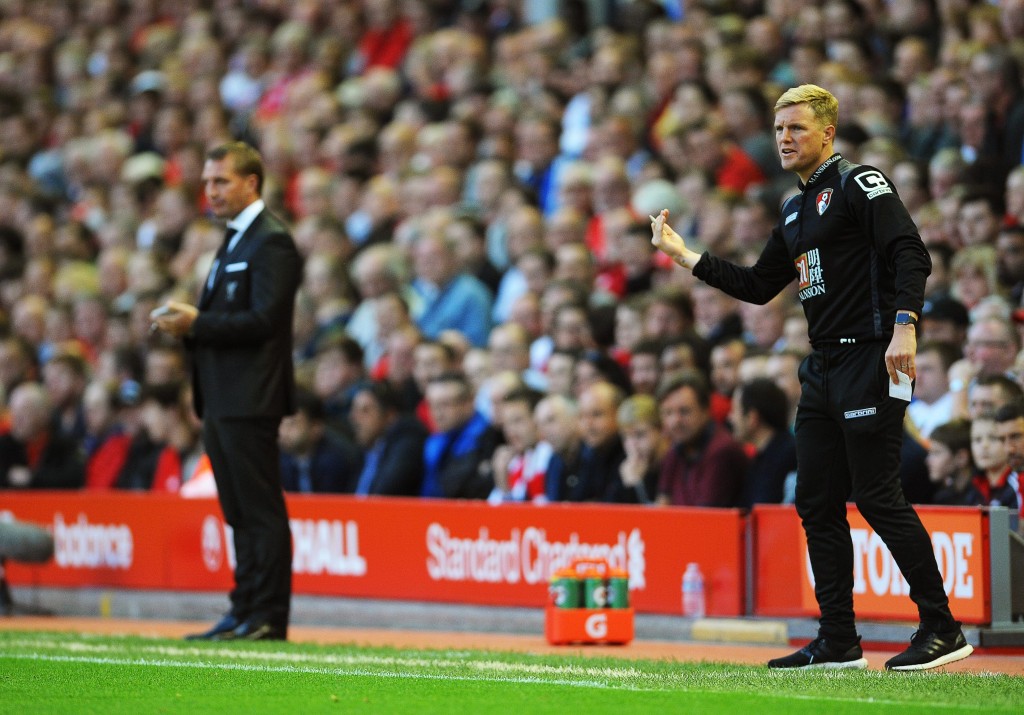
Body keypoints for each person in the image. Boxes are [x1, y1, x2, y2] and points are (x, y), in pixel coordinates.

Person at [651, 84, 971, 671]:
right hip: (822, 366)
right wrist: (685, 256)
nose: (784, 138)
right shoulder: (794, 208)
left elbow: (911, 252)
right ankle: (838, 639)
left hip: (872, 356)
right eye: (778, 129)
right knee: (816, 501)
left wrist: (905, 326)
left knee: (876, 495)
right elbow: (757, 286)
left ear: (827, 132)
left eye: (796, 128)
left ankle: (942, 627)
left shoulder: (859, 183)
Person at [152, 141, 302, 642]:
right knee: (238, 511)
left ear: (251, 183)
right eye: (207, 183)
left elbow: (266, 321)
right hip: (223, 397)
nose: (211, 192)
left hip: (251, 396)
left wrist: (197, 323)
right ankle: (244, 609)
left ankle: (267, 615)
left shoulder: (271, 242)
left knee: (258, 510)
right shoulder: (237, 240)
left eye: (221, 181)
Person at [655, 370, 748, 507]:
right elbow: (662, 506)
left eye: (684, 411)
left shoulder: (722, 452)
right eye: (668, 413)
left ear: (706, 411)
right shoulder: (675, 450)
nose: (675, 421)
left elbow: (705, 516)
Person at [348, 380, 427, 496]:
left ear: (390, 416)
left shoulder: (408, 441)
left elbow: (385, 493)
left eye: (365, 411)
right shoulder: (366, 448)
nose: (354, 418)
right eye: (354, 410)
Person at [731, 377, 798, 506]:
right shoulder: (759, 459)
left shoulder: (789, 456)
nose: (731, 418)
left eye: (735, 411)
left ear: (752, 417)